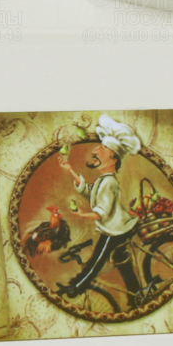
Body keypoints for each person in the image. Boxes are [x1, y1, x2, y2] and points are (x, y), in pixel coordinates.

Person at [57, 115, 142, 299]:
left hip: (116, 230)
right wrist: (70, 170)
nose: (95, 150)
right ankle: (137, 295)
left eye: (102, 148)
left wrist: (81, 214)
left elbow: (101, 214)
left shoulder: (109, 183)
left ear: (113, 158)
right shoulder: (104, 180)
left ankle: (76, 287)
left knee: (97, 259)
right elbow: (90, 192)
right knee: (122, 261)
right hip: (116, 227)